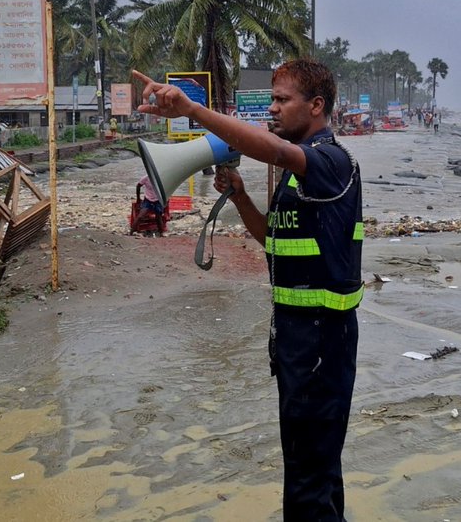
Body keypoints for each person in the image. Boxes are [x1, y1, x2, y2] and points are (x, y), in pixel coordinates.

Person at [133, 61, 362, 521]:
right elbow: (274, 242)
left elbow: (275, 150)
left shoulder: (330, 160)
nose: (273, 109)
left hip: (321, 340)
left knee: (307, 480)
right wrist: (239, 195)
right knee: (313, 467)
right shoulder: (300, 176)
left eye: (283, 100)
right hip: (302, 341)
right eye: (272, 100)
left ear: (316, 106)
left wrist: (193, 111)